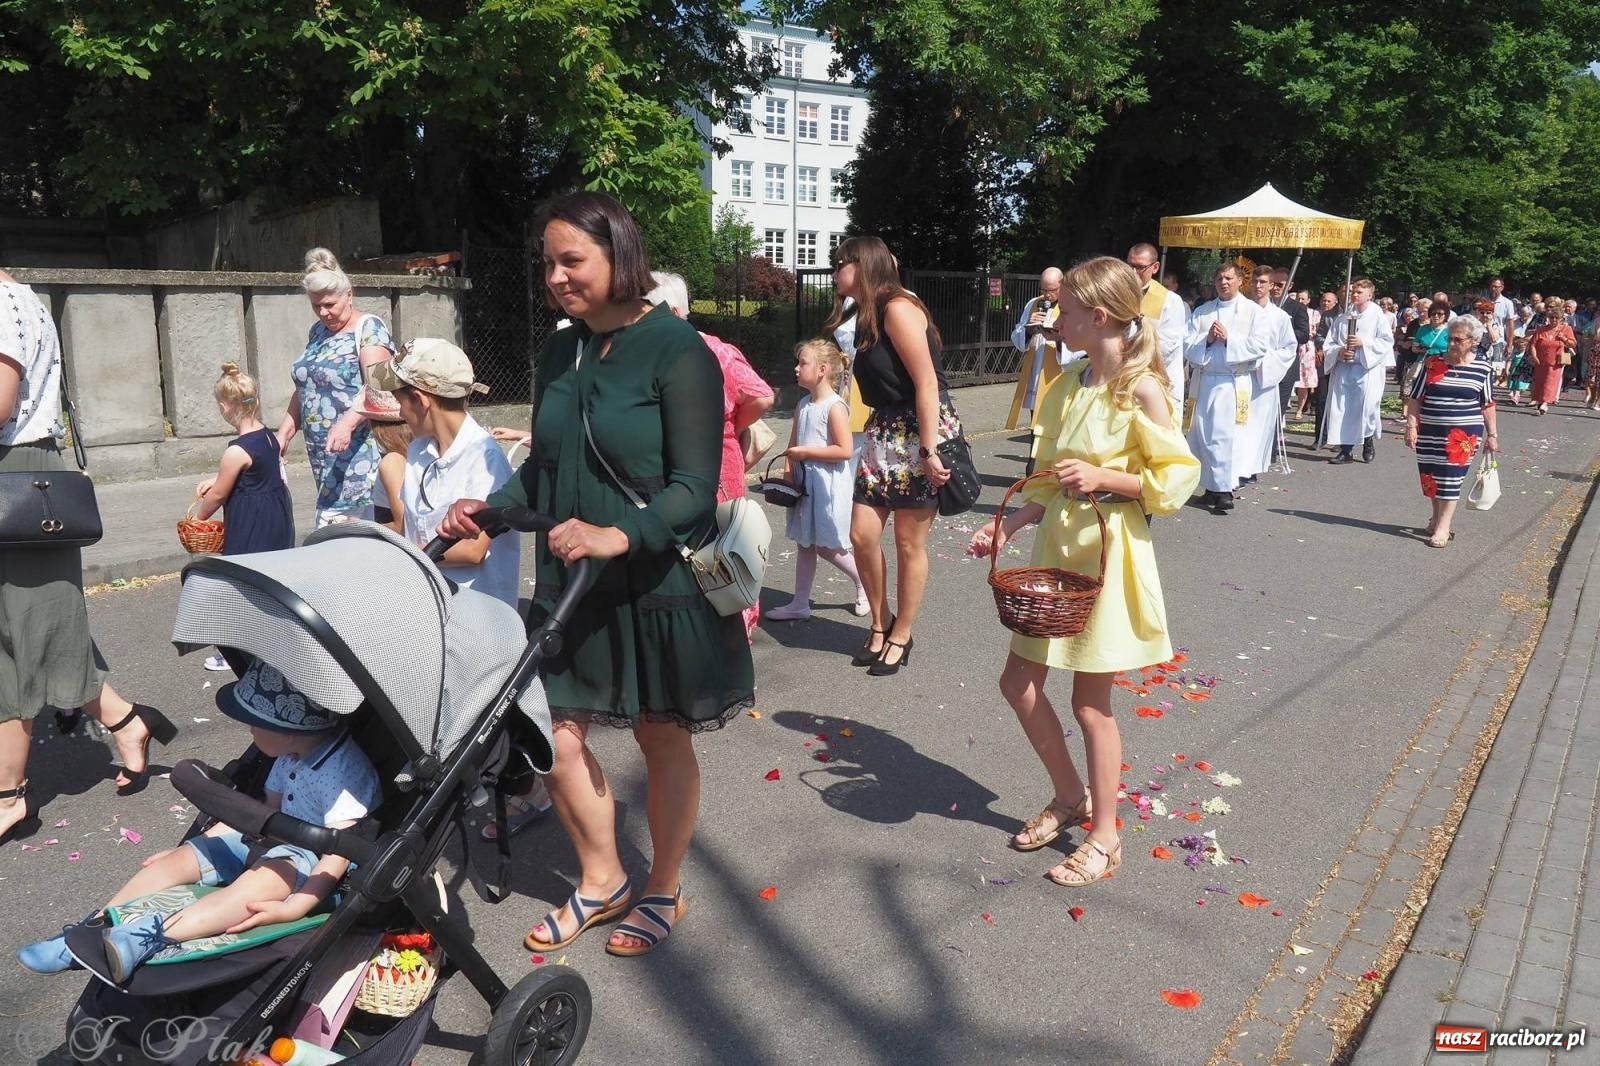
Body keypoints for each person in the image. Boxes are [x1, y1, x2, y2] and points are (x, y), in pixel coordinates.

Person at [441, 191, 754, 957]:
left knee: (660, 738)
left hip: (657, 582)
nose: (555, 276)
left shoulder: (678, 350)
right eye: (546, 262)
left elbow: (694, 484)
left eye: (570, 260)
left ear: (619, 255)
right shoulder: (561, 350)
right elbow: (548, 466)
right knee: (557, 737)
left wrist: (623, 532)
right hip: (570, 579)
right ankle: (602, 876)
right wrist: (494, 509)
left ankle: (664, 885)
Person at [966, 256, 1199, 888]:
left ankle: (1105, 837)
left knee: (1091, 704)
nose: (1053, 318)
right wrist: (1005, 525)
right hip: (1054, 550)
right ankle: (1070, 795)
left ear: (1098, 316)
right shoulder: (1065, 385)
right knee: (1018, 682)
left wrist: (1106, 477)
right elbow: (1044, 482)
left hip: (1107, 552)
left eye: (1063, 310)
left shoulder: (1141, 387)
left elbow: (1176, 481)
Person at [17, 660, 380, 980]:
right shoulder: (288, 754)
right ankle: (96, 925)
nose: (249, 734)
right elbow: (261, 813)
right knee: (175, 861)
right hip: (271, 835)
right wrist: (196, 851)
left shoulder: (343, 775)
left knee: (252, 889)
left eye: (254, 725)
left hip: (309, 857)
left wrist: (298, 904)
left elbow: (339, 852)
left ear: (287, 731)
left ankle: (149, 938)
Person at [0, 269, 177, 833]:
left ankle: (8, 796)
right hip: (26, 478)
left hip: (16, 481)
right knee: (37, 625)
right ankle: (127, 721)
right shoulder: (21, 297)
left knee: (19, 635)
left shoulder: (2, 303)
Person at [828, 236, 961, 676]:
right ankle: (879, 623)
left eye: (840, 262)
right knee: (862, 534)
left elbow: (927, 383)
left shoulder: (898, 308)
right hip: (884, 430)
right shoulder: (865, 314)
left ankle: (901, 632)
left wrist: (928, 447)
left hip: (917, 430)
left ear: (862, 265)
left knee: (908, 542)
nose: (834, 271)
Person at [646, 271, 774, 639]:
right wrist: (731, 424)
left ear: (670, 310)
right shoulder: (716, 348)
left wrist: (728, 427)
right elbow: (760, 395)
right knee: (728, 542)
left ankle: (718, 632)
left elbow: (764, 395)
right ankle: (734, 631)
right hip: (719, 456)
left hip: (701, 461)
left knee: (712, 541)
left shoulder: (670, 350)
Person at [369, 338, 520, 606]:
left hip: (476, 612)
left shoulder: (484, 458)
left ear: (419, 399)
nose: (400, 412)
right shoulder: (418, 451)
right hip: (429, 602)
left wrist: (399, 557)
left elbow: (474, 548)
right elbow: (411, 528)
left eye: (399, 400)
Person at [276, 248, 397, 527]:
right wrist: (284, 434)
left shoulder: (369, 329)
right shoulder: (317, 333)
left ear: (349, 294)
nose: (324, 312)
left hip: (361, 458)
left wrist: (348, 422)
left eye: (330, 304)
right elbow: (306, 387)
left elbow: (380, 387)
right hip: (326, 461)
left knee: (352, 540)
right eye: (316, 306)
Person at [192, 363, 297, 671]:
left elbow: (219, 495)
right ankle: (275, 639)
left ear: (226, 406)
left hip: (250, 522)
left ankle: (239, 648)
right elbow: (254, 472)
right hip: (275, 518)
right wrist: (218, 478)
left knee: (240, 582)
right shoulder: (268, 438)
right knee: (269, 578)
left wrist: (200, 518)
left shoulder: (235, 451)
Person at [765, 339, 868, 620]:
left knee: (826, 545)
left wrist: (805, 452)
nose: (797, 369)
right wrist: (788, 477)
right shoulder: (804, 404)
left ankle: (864, 583)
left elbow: (845, 450)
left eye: (803, 363)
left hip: (826, 488)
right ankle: (800, 603)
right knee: (805, 544)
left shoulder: (834, 407)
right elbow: (792, 443)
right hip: (804, 484)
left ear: (822, 369)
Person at [1402, 315, 1500, 548]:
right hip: (1429, 430)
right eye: (1449, 338)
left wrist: (1493, 435)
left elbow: (1487, 403)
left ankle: (1443, 527)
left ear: (1473, 341)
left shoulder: (1482, 368)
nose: (1452, 343)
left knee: (1450, 478)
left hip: (1462, 436)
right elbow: (1415, 397)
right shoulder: (1433, 363)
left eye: (1458, 339)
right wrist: (1411, 425)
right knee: (1431, 476)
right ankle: (1435, 517)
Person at [1182, 263, 1269, 513]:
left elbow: (1261, 345)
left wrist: (1230, 338)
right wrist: (1207, 340)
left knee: (1226, 437)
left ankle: (1225, 490)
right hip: (1204, 381)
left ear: (1240, 280)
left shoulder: (1253, 311)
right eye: (1219, 278)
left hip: (1233, 383)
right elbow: (1186, 342)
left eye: (1229, 278)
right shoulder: (1203, 311)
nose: (1224, 282)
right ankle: (1209, 487)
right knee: (1201, 435)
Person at [1322, 278, 1394, 464]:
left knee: (1367, 407)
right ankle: (1346, 450)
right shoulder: (1343, 318)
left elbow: (1387, 342)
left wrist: (1365, 343)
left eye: (1359, 292)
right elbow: (1329, 343)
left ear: (1370, 295)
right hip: (1345, 369)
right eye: (1353, 291)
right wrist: (1339, 352)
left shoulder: (1378, 317)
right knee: (1343, 409)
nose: (1354, 294)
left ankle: (1368, 440)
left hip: (1367, 369)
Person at [1242, 266, 1298, 479]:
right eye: (1255, 281)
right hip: (1239, 376)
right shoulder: (1242, 310)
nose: (1258, 286)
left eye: (1263, 282)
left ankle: (1253, 467)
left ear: (1272, 286)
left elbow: (1289, 348)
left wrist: (1265, 361)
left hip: (1264, 377)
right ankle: (1237, 467)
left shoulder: (1280, 317)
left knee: (1259, 425)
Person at [1005, 267, 1067, 433]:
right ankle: (1035, 456)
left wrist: (1057, 337)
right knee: (1037, 420)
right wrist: (1028, 330)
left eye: (1052, 290)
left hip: (1059, 370)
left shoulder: (1071, 304)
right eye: (1044, 290)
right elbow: (1016, 335)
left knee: (1057, 422)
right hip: (1036, 370)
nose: (1047, 295)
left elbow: (1079, 339)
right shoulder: (1033, 304)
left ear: (1063, 285)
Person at [1128, 244, 1188, 406]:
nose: (1133, 272)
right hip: (1122, 379)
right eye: (1130, 266)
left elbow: (1168, 345)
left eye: (1140, 267)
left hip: (1155, 379)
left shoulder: (1170, 301)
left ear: (1155, 267)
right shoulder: (1119, 295)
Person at [1526, 295, 1575, 415]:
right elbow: (1533, 344)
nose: (1554, 320)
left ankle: (1545, 403)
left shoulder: (1566, 329)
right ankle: (1540, 401)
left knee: (1550, 381)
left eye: (1556, 318)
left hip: (1556, 361)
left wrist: (1563, 338)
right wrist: (1534, 356)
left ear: (1560, 318)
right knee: (1540, 381)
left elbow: (1572, 344)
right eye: (1552, 317)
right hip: (1541, 360)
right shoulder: (1542, 329)